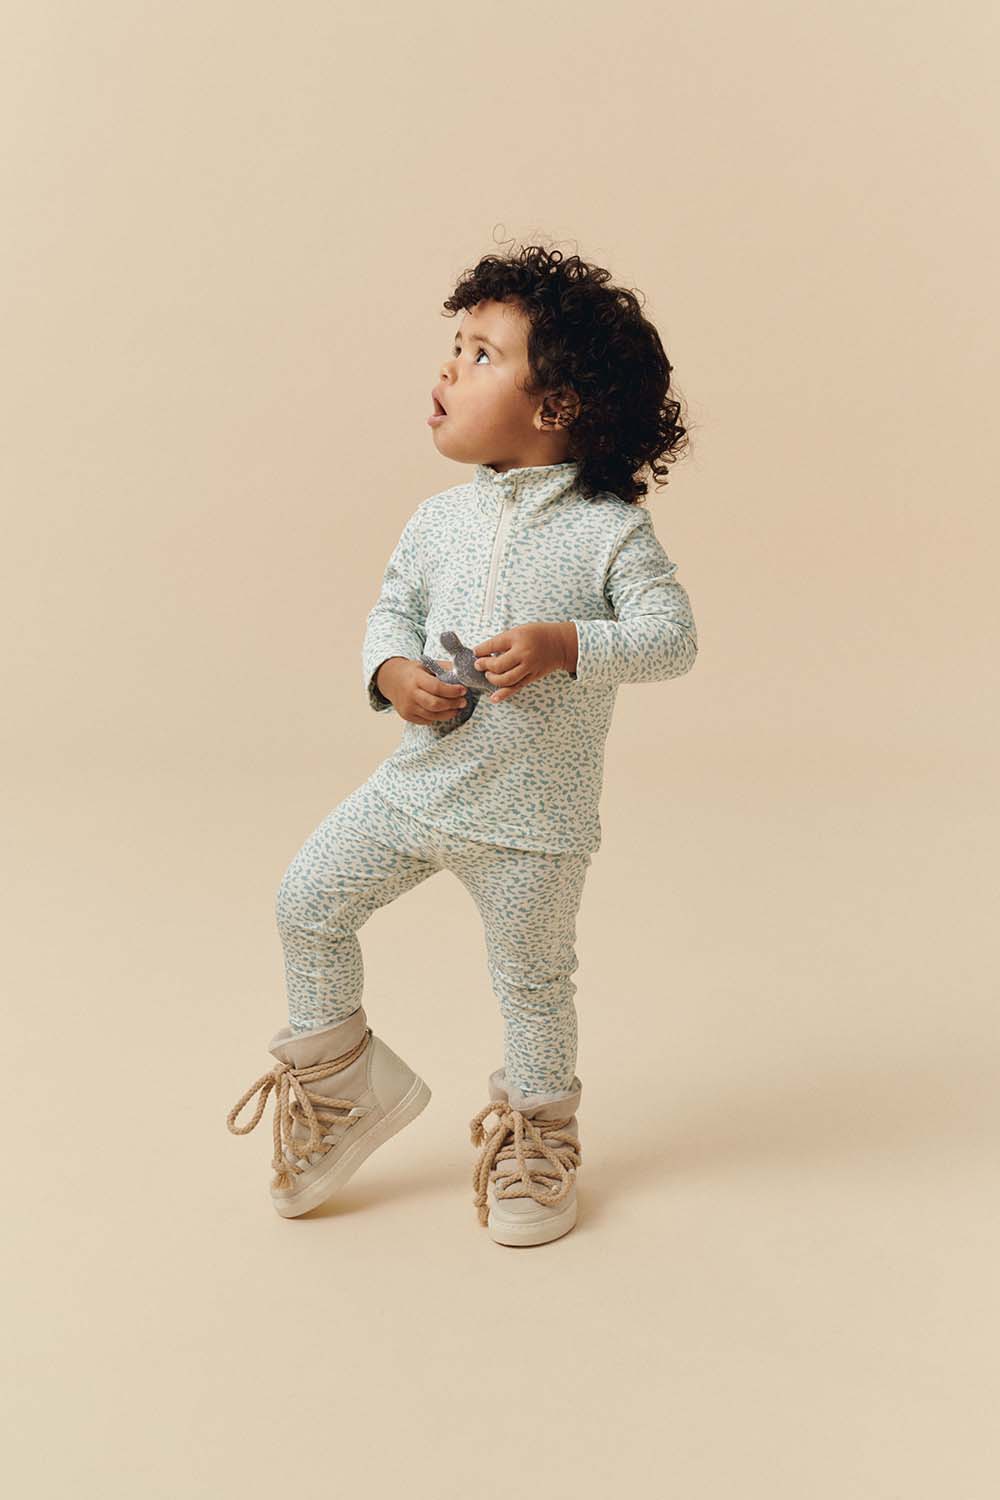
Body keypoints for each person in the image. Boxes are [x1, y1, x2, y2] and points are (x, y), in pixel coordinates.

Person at [226, 242, 698, 1247]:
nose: (449, 366)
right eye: (455, 345)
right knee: (306, 903)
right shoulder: (436, 519)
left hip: (533, 822)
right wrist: (393, 675)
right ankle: (341, 1084)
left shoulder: (610, 531)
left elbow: (671, 639)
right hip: (416, 790)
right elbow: (390, 613)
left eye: (482, 354)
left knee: (532, 985)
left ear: (556, 406)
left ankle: (538, 1134)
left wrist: (568, 644)